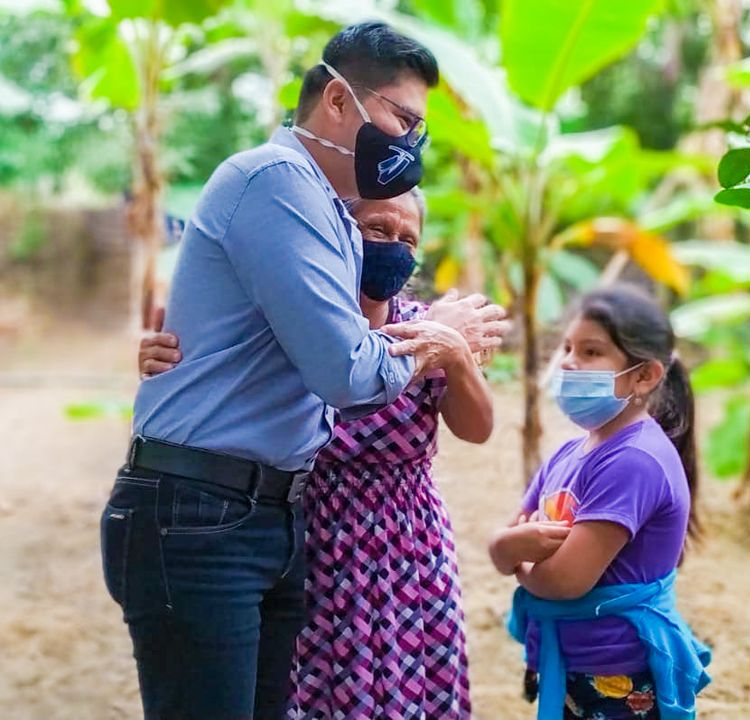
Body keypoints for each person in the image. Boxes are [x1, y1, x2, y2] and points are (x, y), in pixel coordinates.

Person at [101, 22, 505, 720]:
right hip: (204, 514)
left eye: (419, 130)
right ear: (339, 101)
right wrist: (439, 339)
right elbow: (346, 374)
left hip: (261, 516)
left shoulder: (326, 215)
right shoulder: (277, 181)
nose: (410, 144)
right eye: (403, 120)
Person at [142, 188, 487, 719]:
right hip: (303, 540)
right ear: (336, 233)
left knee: (400, 690)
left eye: (407, 239)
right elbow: (205, 396)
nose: (393, 247)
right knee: (300, 689)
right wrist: (162, 361)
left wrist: (456, 354)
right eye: (377, 229)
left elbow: (478, 428)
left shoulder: (426, 329)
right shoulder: (284, 325)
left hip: (404, 549)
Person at [489, 285, 710, 720]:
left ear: (644, 376)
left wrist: (513, 554)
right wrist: (509, 550)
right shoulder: (569, 453)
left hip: (616, 675)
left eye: (591, 352)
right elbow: (511, 541)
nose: (568, 362)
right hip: (574, 659)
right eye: (568, 347)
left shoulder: (634, 460)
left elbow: (564, 581)